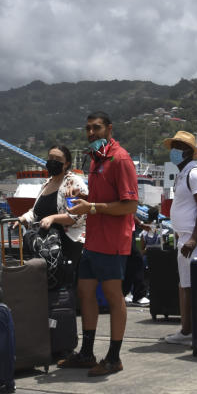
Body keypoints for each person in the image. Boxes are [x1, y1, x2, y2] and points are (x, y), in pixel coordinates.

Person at [63, 111, 139, 376]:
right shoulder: (96, 160)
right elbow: (101, 197)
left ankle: (114, 357)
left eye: (96, 128)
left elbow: (130, 204)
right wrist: (83, 195)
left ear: (109, 128)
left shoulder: (120, 159)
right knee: (85, 292)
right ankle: (86, 353)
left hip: (113, 241)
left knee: (113, 296)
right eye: (88, 129)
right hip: (93, 240)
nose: (91, 133)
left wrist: (92, 207)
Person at [161, 131, 197, 346]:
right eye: (172, 145)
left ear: (186, 151)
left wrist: (193, 238)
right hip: (185, 238)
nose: (173, 151)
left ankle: (196, 330)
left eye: (177, 146)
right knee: (185, 285)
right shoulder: (183, 174)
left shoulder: (195, 173)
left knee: (196, 285)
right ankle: (187, 330)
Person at [17, 144, 88, 272]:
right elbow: (36, 212)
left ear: (66, 164)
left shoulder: (72, 183)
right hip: (44, 246)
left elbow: (75, 216)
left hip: (67, 246)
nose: (53, 162)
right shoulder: (47, 183)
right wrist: (21, 219)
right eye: (50, 158)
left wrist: (53, 218)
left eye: (58, 159)